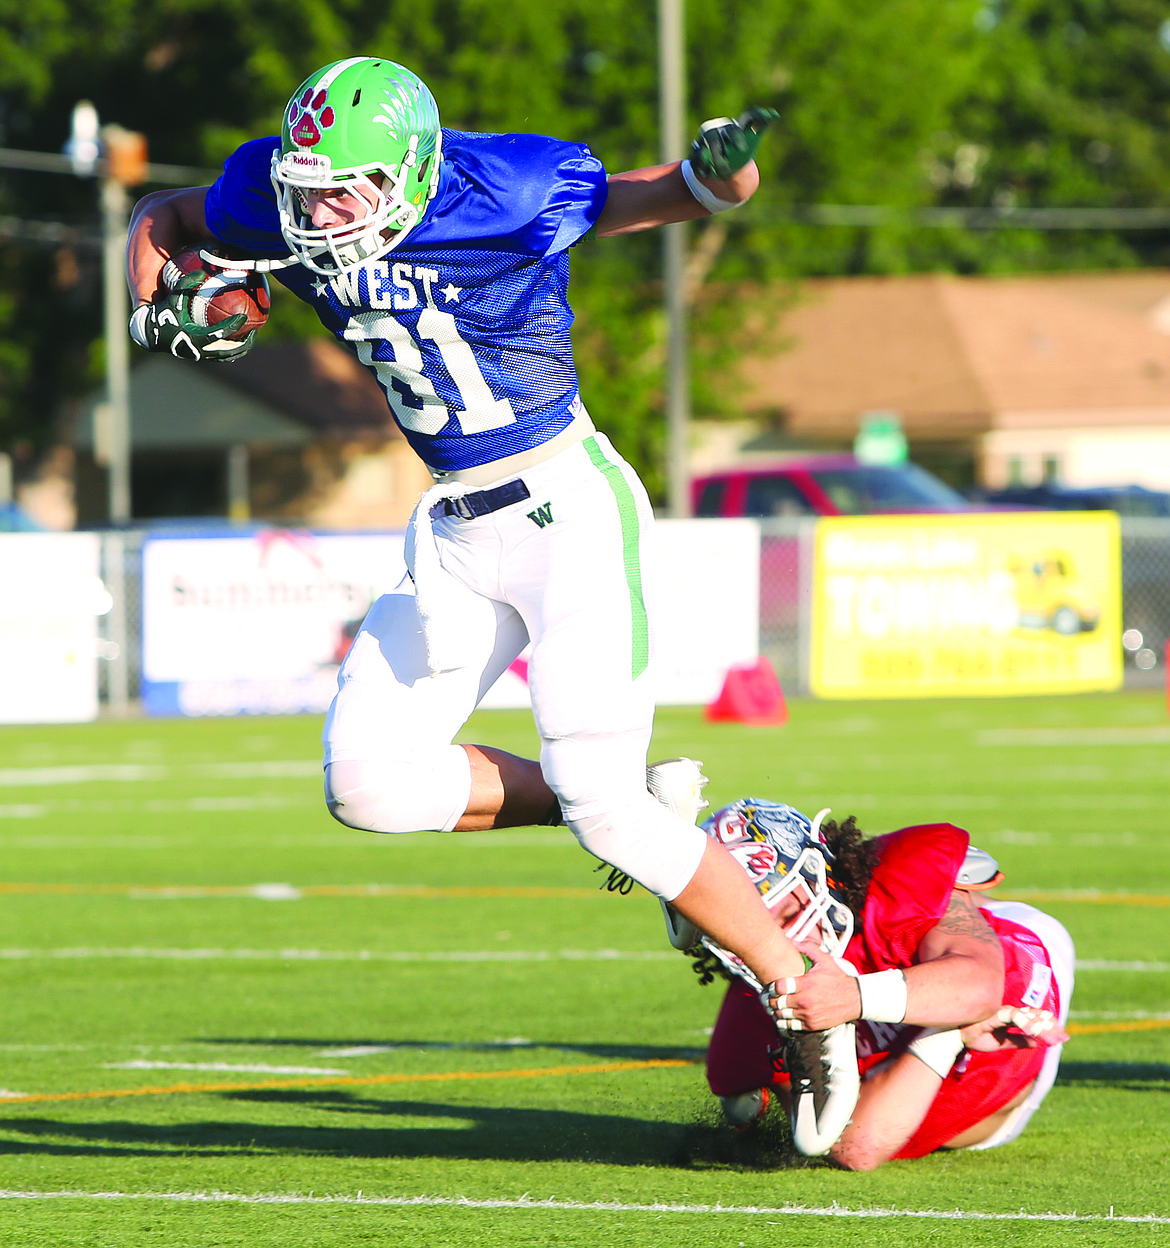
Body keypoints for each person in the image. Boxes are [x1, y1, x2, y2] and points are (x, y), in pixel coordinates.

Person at [123, 56, 860, 1150]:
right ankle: (642, 817)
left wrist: (725, 171)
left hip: (567, 505)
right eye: (309, 185)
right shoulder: (275, 189)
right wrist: (157, 310)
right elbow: (164, 214)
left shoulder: (510, 188)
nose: (319, 213)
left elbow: (675, 198)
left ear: (414, 172)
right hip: (453, 529)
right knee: (369, 786)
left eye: (348, 189)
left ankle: (811, 994)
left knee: (607, 807)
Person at [669, 799, 1074, 1168]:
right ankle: (947, 1029)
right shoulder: (747, 1021)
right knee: (849, 1142)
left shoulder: (894, 880)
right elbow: (853, 1145)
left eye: (788, 912)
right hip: (913, 1070)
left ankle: (954, 1008)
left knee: (989, 995)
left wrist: (851, 997)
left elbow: (980, 987)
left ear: (818, 872)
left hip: (1004, 960)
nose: (783, 942)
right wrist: (943, 1034)